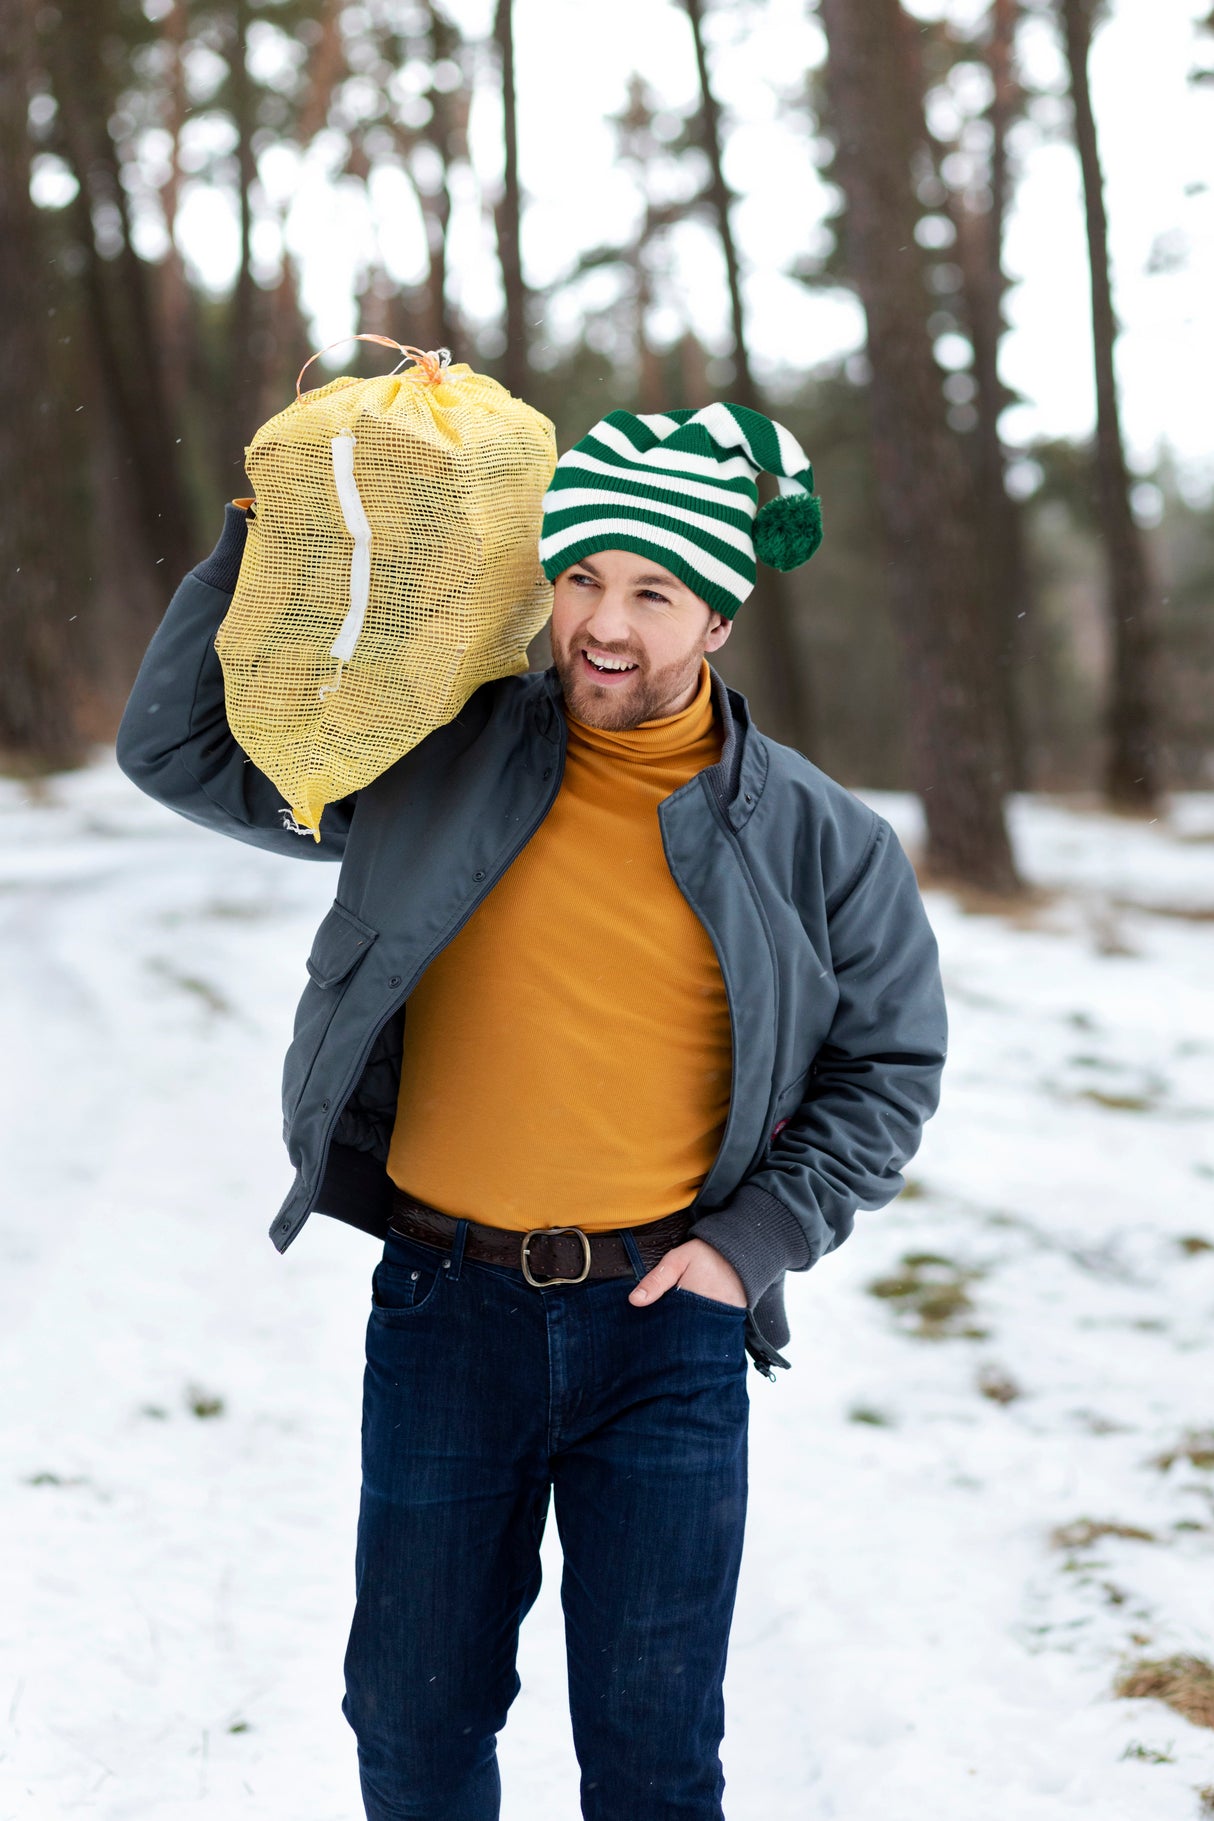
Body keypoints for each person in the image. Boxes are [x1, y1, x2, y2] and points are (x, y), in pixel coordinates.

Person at [117, 400, 947, 1821]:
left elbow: (889, 1067)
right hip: (447, 1307)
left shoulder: (821, 838)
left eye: (650, 591)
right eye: (579, 577)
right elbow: (183, 752)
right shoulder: (428, 755)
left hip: (665, 1326)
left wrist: (748, 1245)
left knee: (649, 1748)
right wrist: (273, 536)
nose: (602, 623)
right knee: (412, 1719)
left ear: (719, 621)